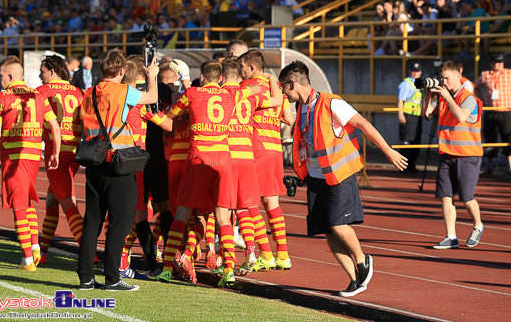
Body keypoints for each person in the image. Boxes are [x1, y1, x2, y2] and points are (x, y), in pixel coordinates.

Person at [279, 60, 407, 297]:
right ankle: (355, 280)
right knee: (327, 230)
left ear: (292, 83)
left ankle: (363, 259)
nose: (282, 93)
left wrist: (388, 151)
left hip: (340, 174)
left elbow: (363, 124)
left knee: (337, 224)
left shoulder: (331, 102)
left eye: (283, 87)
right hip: (317, 177)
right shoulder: (301, 108)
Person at [155, 60, 272, 288]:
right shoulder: (232, 95)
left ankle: (168, 269)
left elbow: (171, 115)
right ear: (220, 79)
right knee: (223, 217)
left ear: (203, 78)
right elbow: (259, 87)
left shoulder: (192, 93)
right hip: (223, 161)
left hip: (198, 159)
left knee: (182, 214)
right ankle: (229, 270)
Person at [77, 48, 158, 291]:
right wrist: (151, 74)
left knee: (92, 222)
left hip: (93, 161)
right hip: (118, 164)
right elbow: (152, 97)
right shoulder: (124, 91)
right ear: (122, 71)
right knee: (120, 223)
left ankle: (85, 278)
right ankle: (112, 277)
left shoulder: (88, 93)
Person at [0, 56, 61, 271]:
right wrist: (55, 152)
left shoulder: (2, 96)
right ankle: (35, 246)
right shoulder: (39, 95)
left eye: (0, 74)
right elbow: (54, 126)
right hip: (34, 155)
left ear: (10, 75)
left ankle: (27, 260)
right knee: (28, 202)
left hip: (14, 156)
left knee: (19, 205)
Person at [239, 50, 295, 271]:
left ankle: (266, 254)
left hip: (256, 149)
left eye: (242, 66)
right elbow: (288, 119)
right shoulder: (277, 89)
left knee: (247, 203)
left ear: (252, 68)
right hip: (274, 149)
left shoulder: (248, 87)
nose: (241, 71)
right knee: (272, 204)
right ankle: (283, 255)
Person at [422, 61, 484, 250]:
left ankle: (478, 224)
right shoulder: (441, 97)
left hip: (467, 155)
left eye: (447, 78)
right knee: (445, 196)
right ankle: (451, 236)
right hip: (446, 154)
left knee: (466, 198)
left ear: (458, 76)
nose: (444, 81)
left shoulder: (469, 98)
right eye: (442, 78)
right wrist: (429, 94)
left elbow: (461, 117)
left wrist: (447, 97)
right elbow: (426, 114)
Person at [36, 55, 85, 265]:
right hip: (74, 151)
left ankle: (89, 252)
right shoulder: (77, 91)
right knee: (52, 201)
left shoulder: (41, 92)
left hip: (55, 152)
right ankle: (44, 252)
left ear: (53, 71)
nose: (40, 74)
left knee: (67, 203)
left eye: (43, 70)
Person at [474, 54, 511, 174]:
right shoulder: (485, 75)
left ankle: (510, 163)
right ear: (491, 63)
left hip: (506, 110)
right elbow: (476, 87)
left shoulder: (509, 73)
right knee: (490, 137)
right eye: (497, 62)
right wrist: (481, 101)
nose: (499, 64)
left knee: (508, 136)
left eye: (501, 62)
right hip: (490, 111)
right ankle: (489, 164)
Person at [397, 62, 423, 172]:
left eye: (417, 71)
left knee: (416, 140)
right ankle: (404, 166)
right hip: (408, 115)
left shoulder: (421, 83)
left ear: (420, 72)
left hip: (418, 116)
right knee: (406, 141)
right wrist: (400, 114)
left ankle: (411, 164)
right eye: (413, 70)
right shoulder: (406, 83)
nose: (415, 73)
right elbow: (400, 100)